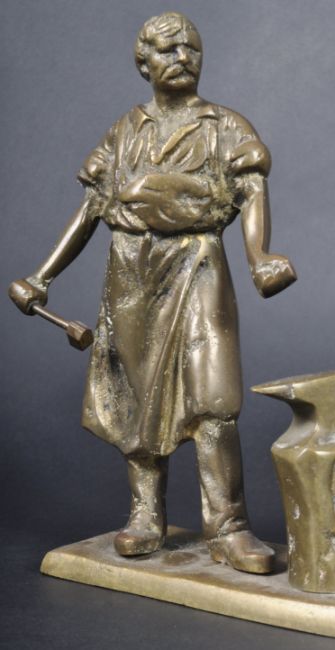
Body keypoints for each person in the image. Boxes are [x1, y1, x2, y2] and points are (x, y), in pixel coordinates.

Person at [9, 12, 296, 574]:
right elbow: (92, 208)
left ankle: (228, 525)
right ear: (143, 63)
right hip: (132, 273)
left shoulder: (224, 125)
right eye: (168, 50)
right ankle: (145, 514)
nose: (182, 57)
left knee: (215, 396)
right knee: (137, 398)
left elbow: (250, 190)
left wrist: (259, 256)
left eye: (192, 48)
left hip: (198, 263)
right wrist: (43, 276)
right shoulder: (124, 131)